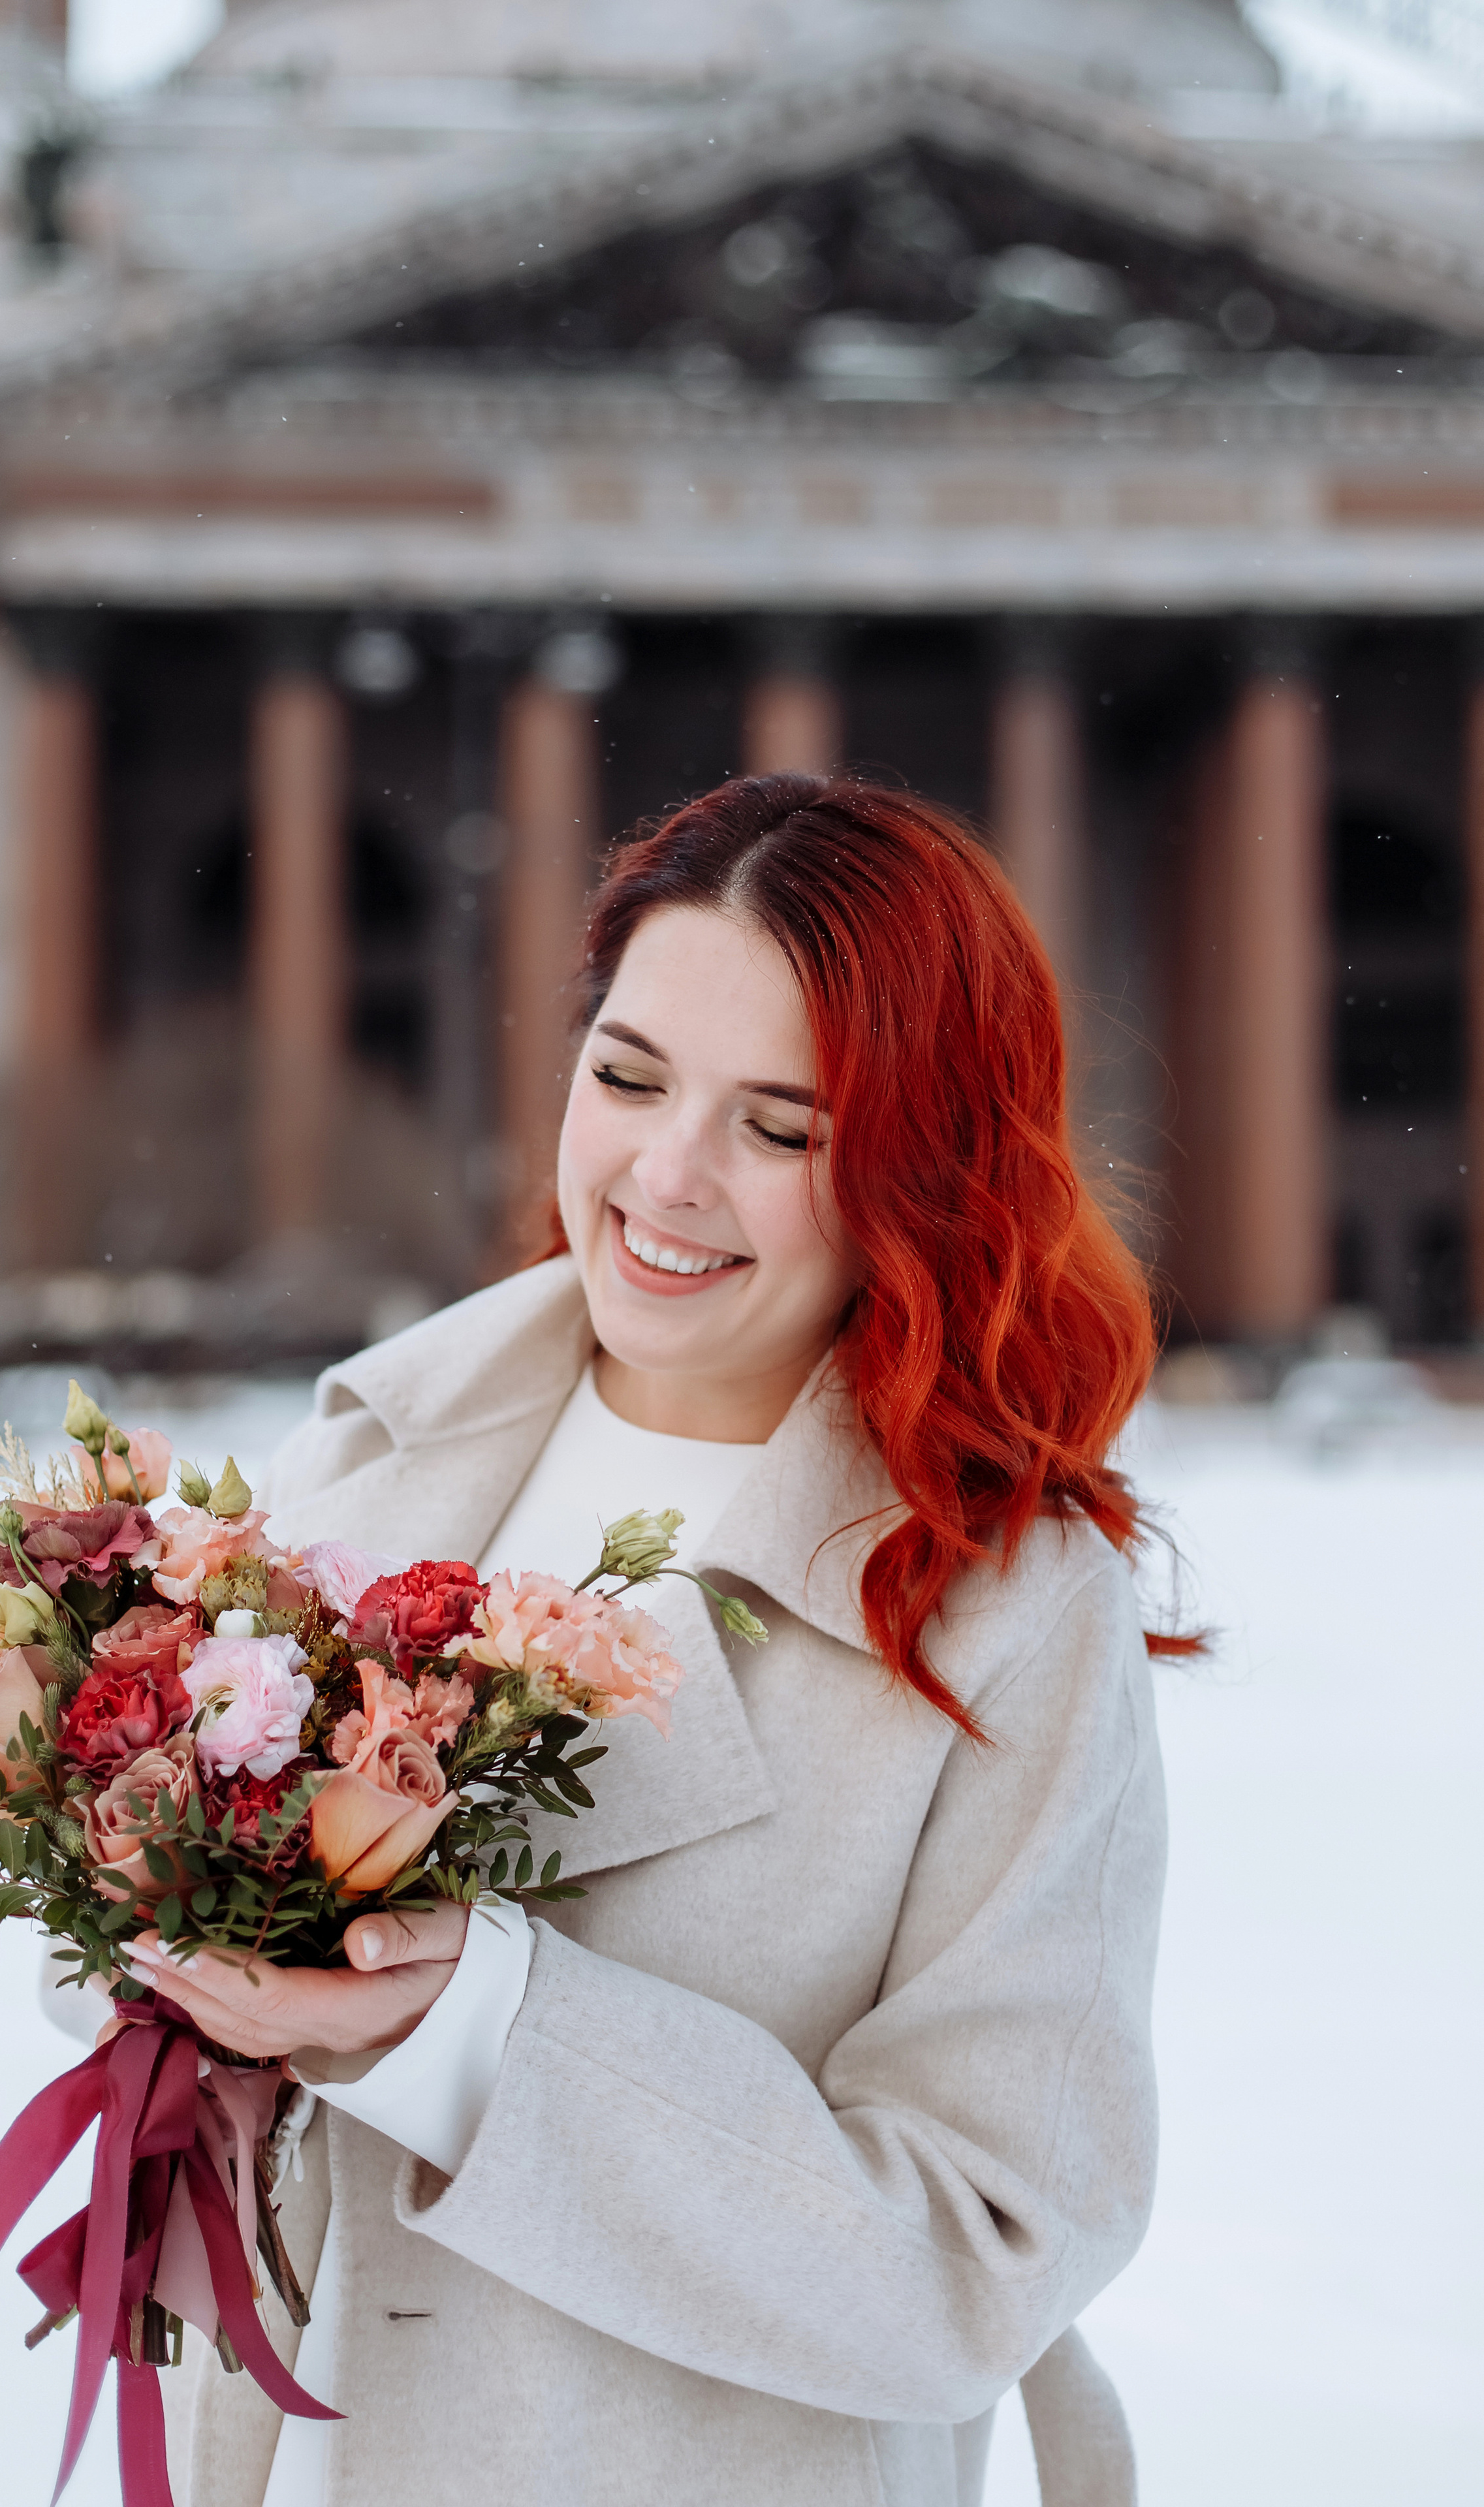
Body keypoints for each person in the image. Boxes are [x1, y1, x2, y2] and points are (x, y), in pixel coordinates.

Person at [76, 774, 1175, 2507]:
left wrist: (483, 2040)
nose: (668, 1176)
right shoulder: (362, 1460)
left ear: (927, 1168)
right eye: (631, 1076)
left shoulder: (1007, 1611)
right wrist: (137, 1895)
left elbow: (986, 2252)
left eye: (783, 1129)